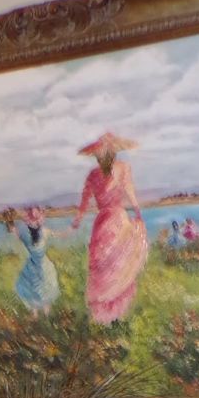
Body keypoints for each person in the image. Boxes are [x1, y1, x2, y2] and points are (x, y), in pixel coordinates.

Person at [70, 131, 147, 324]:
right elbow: (129, 192)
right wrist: (138, 212)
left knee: (109, 266)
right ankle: (112, 316)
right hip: (114, 220)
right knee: (114, 265)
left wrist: (78, 219)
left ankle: (111, 315)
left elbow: (85, 201)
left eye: (100, 155)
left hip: (106, 222)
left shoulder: (95, 174)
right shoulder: (121, 169)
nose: (100, 158)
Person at [14, 205, 59, 315]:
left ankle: (35, 314)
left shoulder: (26, 238)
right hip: (44, 264)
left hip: (32, 264)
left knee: (32, 287)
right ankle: (46, 314)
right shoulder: (44, 232)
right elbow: (59, 234)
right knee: (45, 286)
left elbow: (16, 233)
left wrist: (11, 224)